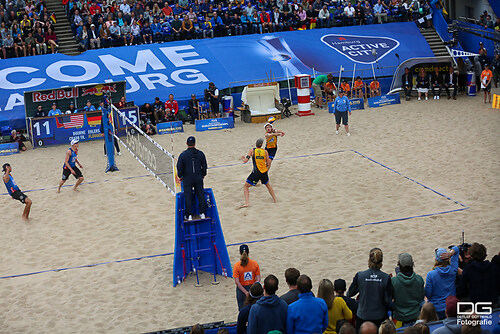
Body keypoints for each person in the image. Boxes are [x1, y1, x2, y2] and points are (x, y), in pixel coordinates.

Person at [347, 248, 392, 331]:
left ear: (369, 260)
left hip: (363, 316)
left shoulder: (360, 275)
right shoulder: (386, 278)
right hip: (379, 317)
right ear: (381, 262)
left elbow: (349, 293)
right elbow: (388, 301)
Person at [176, 136, 207, 221]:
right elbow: (204, 165)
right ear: (195, 144)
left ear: (186, 144)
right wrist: (203, 174)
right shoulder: (200, 153)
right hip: (198, 177)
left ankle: (189, 215)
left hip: (187, 177)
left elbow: (179, 166)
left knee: (188, 196)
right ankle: (202, 213)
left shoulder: (183, 155)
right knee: (200, 195)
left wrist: (180, 176)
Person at [240, 138, 277, 208]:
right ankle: (275, 199)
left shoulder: (252, 151)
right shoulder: (265, 151)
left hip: (256, 173)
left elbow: (245, 161)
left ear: (255, 144)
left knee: (246, 186)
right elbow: (268, 163)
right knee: (268, 185)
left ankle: (247, 203)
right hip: (264, 172)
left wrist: (242, 158)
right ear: (262, 145)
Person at [425, 245, 459, 319]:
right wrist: (450, 254)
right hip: (450, 306)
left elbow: (428, 294)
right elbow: (456, 249)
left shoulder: (431, 274)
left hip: (436, 308)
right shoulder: (453, 270)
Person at [391, 253, 425, 328]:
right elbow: (421, 298)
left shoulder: (393, 281)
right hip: (416, 316)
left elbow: (390, 300)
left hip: (399, 318)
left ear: (399, 266)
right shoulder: (419, 279)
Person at [233, 244, 261, 311]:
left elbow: (237, 282)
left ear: (240, 253)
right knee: (255, 309)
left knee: (242, 311)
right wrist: (253, 289)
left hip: (242, 290)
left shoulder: (237, 266)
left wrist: (246, 293)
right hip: (252, 288)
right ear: (249, 252)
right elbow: (258, 279)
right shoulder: (254, 263)